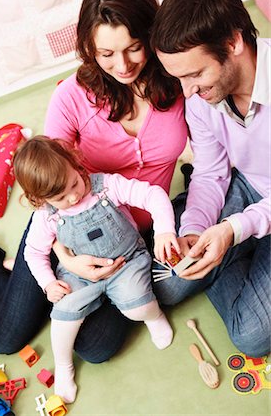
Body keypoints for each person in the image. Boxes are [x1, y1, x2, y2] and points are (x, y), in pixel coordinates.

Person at [0, 0, 187, 358]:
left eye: (134, 47)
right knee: (3, 339)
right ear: (89, 48)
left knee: (95, 347)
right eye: (106, 54)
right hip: (65, 232)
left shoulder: (178, 83)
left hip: (131, 244)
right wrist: (65, 257)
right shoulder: (71, 97)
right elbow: (45, 189)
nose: (122, 65)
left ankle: (18, 276)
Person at [150, 0, 271, 357]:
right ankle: (236, 246)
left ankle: (238, 246)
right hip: (249, 185)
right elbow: (210, 172)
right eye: (179, 78)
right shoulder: (202, 98)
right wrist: (195, 229)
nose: (186, 93)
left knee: (252, 337)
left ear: (233, 43)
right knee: (168, 283)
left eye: (195, 75)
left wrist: (233, 230)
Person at [13, 135, 179, 402]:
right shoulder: (46, 216)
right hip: (78, 273)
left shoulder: (105, 186)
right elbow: (33, 251)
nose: (74, 196)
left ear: (75, 164)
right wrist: (48, 282)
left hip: (126, 262)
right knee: (62, 316)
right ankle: (65, 366)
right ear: (39, 199)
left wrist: (164, 231)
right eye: (60, 197)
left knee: (137, 306)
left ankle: (154, 316)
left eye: (75, 183)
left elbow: (152, 194)